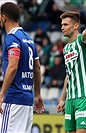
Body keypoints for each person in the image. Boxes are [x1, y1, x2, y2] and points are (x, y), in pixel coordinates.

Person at [0, 2, 45, 132]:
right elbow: (37, 68)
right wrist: (37, 94)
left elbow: (13, 66)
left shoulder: (12, 38)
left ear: (4, 17)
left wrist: (2, 94)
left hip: (13, 98)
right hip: (27, 100)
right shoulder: (29, 39)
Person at [57, 11, 86, 133]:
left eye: (66, 24)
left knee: (82, 131)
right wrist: (62, 99)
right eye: (62, 24)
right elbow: (69, 74)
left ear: (76, 26)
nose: (62, 27)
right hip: (71, 98)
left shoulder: (83, 41)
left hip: (85, 95)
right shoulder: (66, 48)